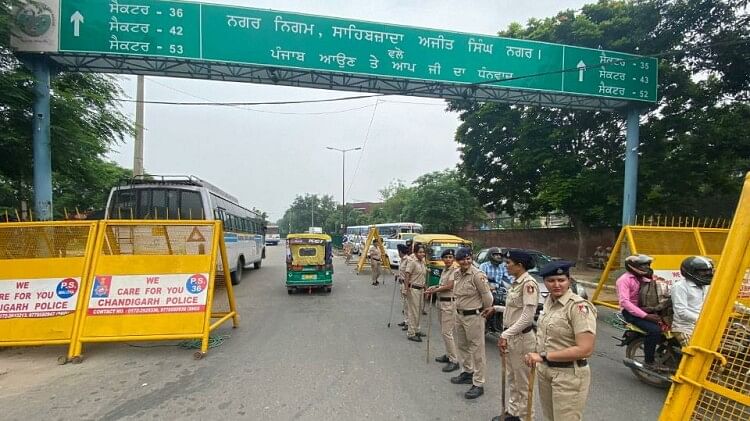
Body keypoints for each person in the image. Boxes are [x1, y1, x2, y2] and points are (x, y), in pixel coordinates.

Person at [524, 261, 597, 421]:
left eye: (561, 280)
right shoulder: (549, 302)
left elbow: (585, 349)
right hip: (546, 372)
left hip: (569, 376)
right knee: (550, 417)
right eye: (551, 281)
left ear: (569, 281)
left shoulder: (578, 307)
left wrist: (542, 356)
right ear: (545, 282)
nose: (557, 285)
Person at [482, 250, 539, 421]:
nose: (505, 265)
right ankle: (514, 412)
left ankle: (526, 417)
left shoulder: (529, 284)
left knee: (523, 383)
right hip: (512, 336)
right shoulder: (516, 283)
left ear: (519, 266)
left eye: (508, 263)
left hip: (521, 339)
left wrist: (505, 334)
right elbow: (516, 311)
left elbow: (527, 317)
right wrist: (497, 308)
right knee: (512, 378)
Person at [450, 247, 493, 400]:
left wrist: (485, 311)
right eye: (462, 259)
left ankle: (479, 383)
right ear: (457, 261)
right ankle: (467, 372)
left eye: (468, 258)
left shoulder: (477, 275)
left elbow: (487, 297)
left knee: (477, 351)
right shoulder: (456, 274)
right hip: (460, 315)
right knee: (462, 346)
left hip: (474, 316)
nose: (466, 261)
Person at [615, 254, 664, 370]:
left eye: (648, 265)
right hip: (630, 312)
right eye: (643, 265)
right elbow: (625, 302)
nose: (646, 267)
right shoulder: (624, 280)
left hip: (645, 308)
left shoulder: (644, 278)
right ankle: (649, 361)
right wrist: (646, 316)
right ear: (633, 266)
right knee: (655, 331)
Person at [426, 249, 460, 372]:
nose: (448, 259)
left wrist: (435, 291)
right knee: (444, 331)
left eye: (450, 257)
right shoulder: (445, 270)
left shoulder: (455, 270)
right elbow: (442, 285)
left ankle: (454, 360)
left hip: (449, 303)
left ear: (454, 258)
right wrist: (434, 287)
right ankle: (448, 354)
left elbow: (450, 286)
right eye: (445, 257)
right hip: (441, 303)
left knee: (447, 332)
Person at [672, 256, 714, 347]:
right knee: (695, 353)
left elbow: (720, 299)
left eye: (708, 271)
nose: (707, 273)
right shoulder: (680, 286)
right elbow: (681, 311)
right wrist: (702, 320)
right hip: (685, 328)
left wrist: (745, 310)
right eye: (702, 271)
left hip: (704, 326)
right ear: (690, 271)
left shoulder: (706, 286)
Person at [404, 244, 427, 342]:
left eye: (423, 252)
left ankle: (417, 329)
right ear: (415, 252)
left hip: (421, 289)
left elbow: (423, 276)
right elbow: (407, 275)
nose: (422, 254)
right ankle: (411, 333)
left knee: (419, 311)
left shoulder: (422, 262)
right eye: (420, 252)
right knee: (413, 312)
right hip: (413, 289)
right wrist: (406, 289)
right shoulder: (412, 262)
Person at [396, 243, 411, 331]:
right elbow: (402, 272)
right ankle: (405, 321)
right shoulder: (402, 259)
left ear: (400, 251)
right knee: (404, 304)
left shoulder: (408, 260)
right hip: (401, 283)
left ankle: (408, 323)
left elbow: (409, 274)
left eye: (398, 251)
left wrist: (406, 288)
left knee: (407, 305)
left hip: (406, 285)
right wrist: (398, 275)